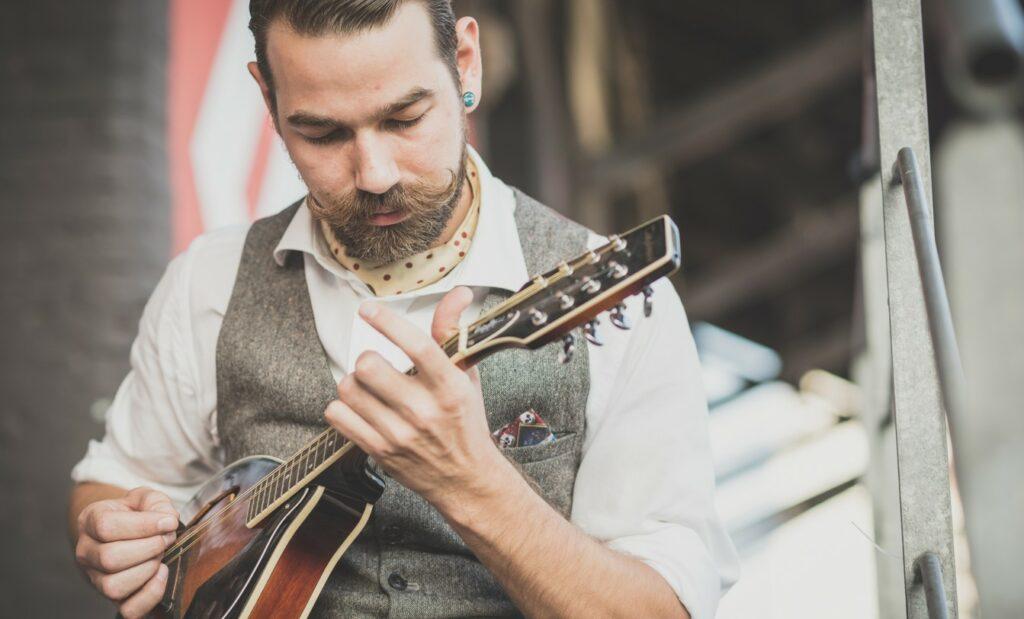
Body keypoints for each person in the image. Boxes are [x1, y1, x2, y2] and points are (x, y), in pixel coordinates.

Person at [67, 1, 739, 617]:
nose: (375, 172)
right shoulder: (207, 282)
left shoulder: (631, 311)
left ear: (466, 64)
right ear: (268, 101)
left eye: (404, 118)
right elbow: (112, 481)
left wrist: (475, 487)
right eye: (322, 134)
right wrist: (112, 530)